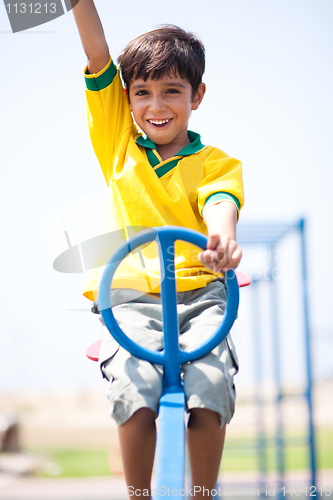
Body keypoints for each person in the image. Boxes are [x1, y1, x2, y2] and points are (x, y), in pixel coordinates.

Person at [71, 1, 244, 498]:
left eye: (173, 91)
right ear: (127, 100)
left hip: (203, 299)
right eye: (142, 92)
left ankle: (202, 492)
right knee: (134, 384)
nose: (157, 105)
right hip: (130, 301)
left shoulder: (216, 163)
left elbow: (221, 204)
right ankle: (138, 493)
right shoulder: (119, 145)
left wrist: (221, 239)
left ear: (198, 95)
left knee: (211, 382)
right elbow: (98, 53)